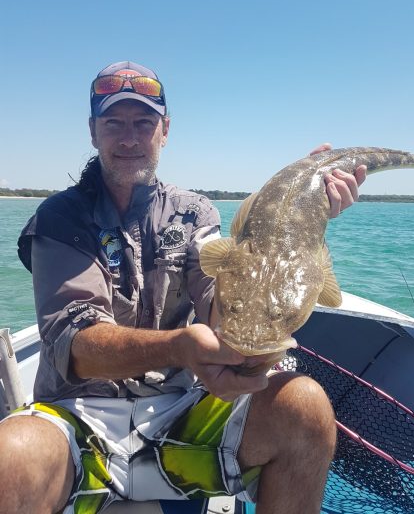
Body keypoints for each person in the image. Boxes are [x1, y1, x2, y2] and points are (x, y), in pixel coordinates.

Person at [0, 61, 366, 514]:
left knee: (305, 407)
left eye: (144, 122)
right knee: (10, 456)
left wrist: (296, 220)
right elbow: (75, 345)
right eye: (114, 124)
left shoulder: (195, 213)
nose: (129, 138)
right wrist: (180, 347)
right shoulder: (60, 218)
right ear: (93, 132)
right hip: (78, 418)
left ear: (165, 130)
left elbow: (219, 303)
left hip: (180, 416)